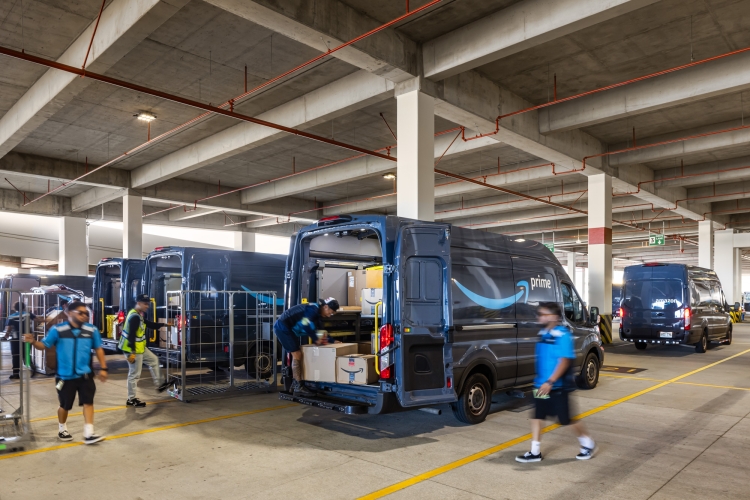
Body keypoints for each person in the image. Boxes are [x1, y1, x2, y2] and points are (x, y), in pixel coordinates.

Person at [516, 302, 596, 463]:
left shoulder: (562, 335)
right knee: (537, 415)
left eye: (543, 314)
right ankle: (535, 452)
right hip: (541, 385)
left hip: (557, 387)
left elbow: (564, 361)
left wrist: (551, 382)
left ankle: (588, 444)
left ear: (553, 317)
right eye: (540, 314)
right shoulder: (543, 333)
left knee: (566, 419)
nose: (540, 317)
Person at [23, 300, 107, 444]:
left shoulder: (91, 330)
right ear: (69, 313)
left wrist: (104, 368)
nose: (84, 316)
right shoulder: (57, 330)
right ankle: (62, 428)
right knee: (65, 405)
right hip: (64, 376)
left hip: (85, 375)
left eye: (86, 313)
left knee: (88, 402)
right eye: (80, 313)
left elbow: (98, 348)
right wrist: (32, 342)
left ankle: (89, 433)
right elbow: (43, 345)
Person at [274, 297, 339, 397]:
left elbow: (321, 333)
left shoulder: (318, 316)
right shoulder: (312, 309)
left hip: (289, 329)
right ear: (325, 307)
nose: (330, 315)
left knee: (297, 353)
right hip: (283, 327)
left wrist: (333, 341)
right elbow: (305, 324)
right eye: (330, 312)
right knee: (297, 354)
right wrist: (315, 338)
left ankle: (294, 384)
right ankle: (298, 386)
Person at [118, 294, 172, 407]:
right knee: (134, 374)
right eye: (145, 303)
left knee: (153, 360)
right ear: (138, 303)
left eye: (148, 304)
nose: (147, 306)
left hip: (140, 347)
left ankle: (160, 384)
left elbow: (149, 324)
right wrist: (132, 353)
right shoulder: (134, 317)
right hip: (132, 349)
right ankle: (131, 399)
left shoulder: (138, 314)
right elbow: (131, 335)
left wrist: (164, 324)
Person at [2, 302, 36, 379]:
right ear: (24, 307)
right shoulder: (28, 314)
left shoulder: (11, 316)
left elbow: (9, 328)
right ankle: (32, 367)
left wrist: (6, 336)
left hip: (15, 338)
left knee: (16, 356)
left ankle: (16, 374)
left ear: (15, 308)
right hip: (27, 337)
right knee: (26, 354)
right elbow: (36, 319)